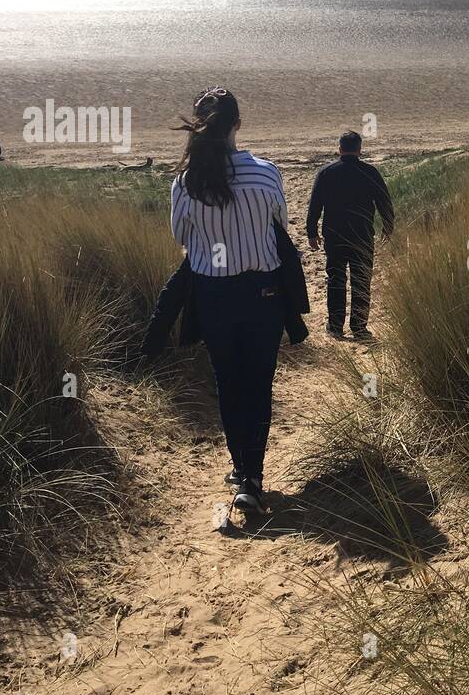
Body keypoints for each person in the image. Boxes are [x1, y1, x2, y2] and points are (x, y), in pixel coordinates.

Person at [168, 86, 293, 514]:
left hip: (214, 294)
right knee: (259, 383)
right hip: (265, 292)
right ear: (238, 124)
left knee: (228, 381)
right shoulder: (267, 173)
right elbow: (280, 225)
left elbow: (181, 238)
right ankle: (252, 474)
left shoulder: (185, 183)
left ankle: (242, 469)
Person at [306, 130, 395, 340]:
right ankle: (359, 326)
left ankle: (335, 326)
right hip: (362, 236)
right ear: (359, 150)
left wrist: (311, 232)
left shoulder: (327, 172)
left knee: (336, 278)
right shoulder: (370, 172)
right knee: (361, 280)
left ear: (339, 149)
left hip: (335, 235)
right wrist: (388, 227)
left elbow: (315, 205)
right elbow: (385, 202)